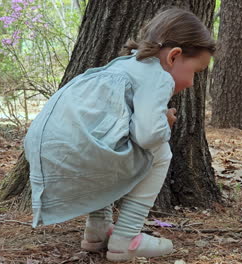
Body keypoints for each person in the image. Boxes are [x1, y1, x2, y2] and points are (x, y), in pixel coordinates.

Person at [23, 7, 215, 262]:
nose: (191, 83)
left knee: (108, 144)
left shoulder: (123, 66)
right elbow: (147, 136)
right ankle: (127, 238)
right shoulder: (158, 76)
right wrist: (164, 121)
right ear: (174, 56)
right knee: (160, 153)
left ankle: (97, 230)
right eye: (195, 72)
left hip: (45, 148)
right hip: (78, 150)